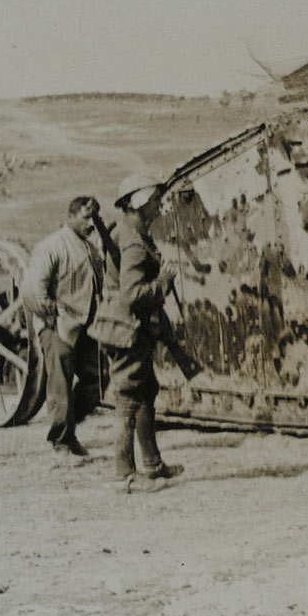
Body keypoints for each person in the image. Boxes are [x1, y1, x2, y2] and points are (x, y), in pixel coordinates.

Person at [92, 174, 185, 487]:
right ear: (141, 203)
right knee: (129, 399)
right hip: (128, 330)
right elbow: (131, 294)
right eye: (155, 201)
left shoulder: (131, 232)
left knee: (145, 394)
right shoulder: (132, 241)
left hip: (131, 329)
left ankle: (152, 465)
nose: (159, 206)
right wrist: (162, 283)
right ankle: (125, 475)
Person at [23, 196, 113, 457]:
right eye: (85, 218)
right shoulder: (52, 246)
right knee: (60, 384)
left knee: (98, 378)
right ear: (70, 217)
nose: (90, 224)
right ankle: (61, 442)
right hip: (58, 325)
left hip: (86, 325)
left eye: (93, 218)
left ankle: (68, 427)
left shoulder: (90, 249)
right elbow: (32, 289)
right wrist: (50, 316)